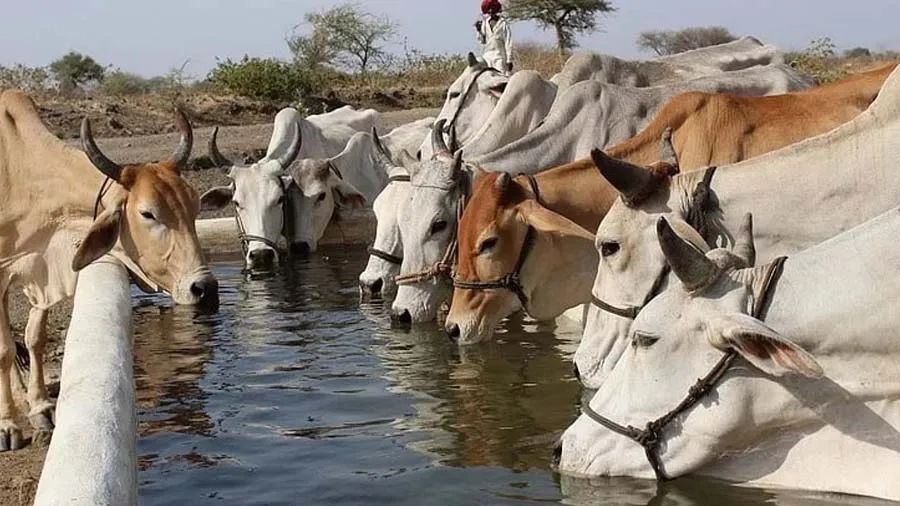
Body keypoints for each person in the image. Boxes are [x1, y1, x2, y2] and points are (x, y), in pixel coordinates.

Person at [474, 0, 514, 75]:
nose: (491, 11)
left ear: (496, 9)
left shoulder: (503, 23)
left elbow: (508, 42)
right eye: (489, 9)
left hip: (499, 56)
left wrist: (509, 60)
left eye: (492, 8)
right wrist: (479, 31)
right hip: (487, 57)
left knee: (501, 77)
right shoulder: (485, 23)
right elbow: (482, 41)